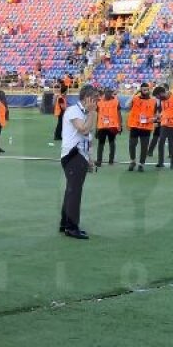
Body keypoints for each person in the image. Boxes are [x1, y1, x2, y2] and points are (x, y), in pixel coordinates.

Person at [60, 85, 100, 239]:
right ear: (86, 98)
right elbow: (83, 129)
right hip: (72, 155)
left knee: (72, 190)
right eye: (94, 97)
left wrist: (90, 158)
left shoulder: (87, 113)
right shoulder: (73, 111)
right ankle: (71, 227)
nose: (97, 101)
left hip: (80, 155)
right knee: (74, 191)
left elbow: (88, 137)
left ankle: (65, 224)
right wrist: (92, 113)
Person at [126, 83, 156, 172]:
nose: (146, 91)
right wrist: (135, 93)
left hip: (146, 127)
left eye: (147, 89)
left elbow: (157, 114)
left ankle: (141, 164)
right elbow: (127, 105)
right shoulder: (135, 99)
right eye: (144, 90)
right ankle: (132, 161)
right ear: (141, 90)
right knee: (132, 144)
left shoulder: (153, 100)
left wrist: (153, 119)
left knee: (144, 147)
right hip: (135, 126)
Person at [154, 86, 173, 170]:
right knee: (161, 141)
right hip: (165, 123)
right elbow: (163, 111)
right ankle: (160, 162)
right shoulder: (161, 99)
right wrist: (158, 117)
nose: (157, 98)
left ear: (161, 93)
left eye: (157, 96)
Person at [95, 87, 121, 167]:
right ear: (104, 92)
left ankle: (111, 160)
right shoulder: (99, 102)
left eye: (110, 92)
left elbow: (119, 114)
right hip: (102, 126)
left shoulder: (116, 102)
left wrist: (120, 125)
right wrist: (97, 127)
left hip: (112, 126)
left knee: (112, 143)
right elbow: (98, 115)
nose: (108, 93)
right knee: (100, 144)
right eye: (107, 92)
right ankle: (99, 161)